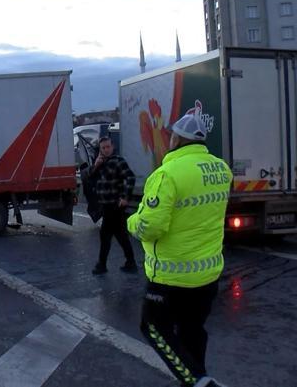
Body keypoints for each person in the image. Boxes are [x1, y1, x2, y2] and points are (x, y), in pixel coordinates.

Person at [127, 112, 232, 387]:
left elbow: (150, 227)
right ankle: (197, 378)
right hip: (207, 274)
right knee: (192, 330)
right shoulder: (221, 169)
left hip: (170, 277)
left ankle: (198, 381)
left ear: (175, 138)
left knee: (152, 327)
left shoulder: (167, 174)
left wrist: (131, 221)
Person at [90, 136, 137, 275]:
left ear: (112, 147)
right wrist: (96, 166)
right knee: (121, 235)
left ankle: (102, 265)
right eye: (103, 148)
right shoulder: (101, 163)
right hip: (106, 205)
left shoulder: (118, 161)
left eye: (108, 147)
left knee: (105, 235)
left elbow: (130, 177)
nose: (106, 150)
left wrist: (125, 197)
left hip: (114, 205)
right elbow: (91, 179)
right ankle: (130, 262)